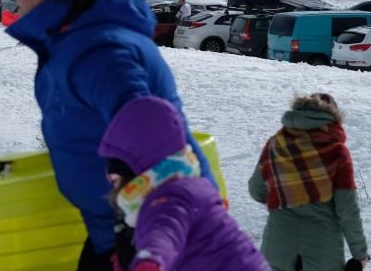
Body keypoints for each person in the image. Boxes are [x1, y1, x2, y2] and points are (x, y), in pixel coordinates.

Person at [3, 0, 212, 270]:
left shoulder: (99, 52)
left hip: (150, 237)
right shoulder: (76, 39)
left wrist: (154, 244)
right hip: (118, 228)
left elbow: (154, 138)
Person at [98, 96, 267, 271]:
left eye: (117, 180)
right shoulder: (187, 186)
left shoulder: (169, 199)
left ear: (137, 175)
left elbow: (164, 233)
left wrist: (149, 261)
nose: (114, 186)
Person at [249, 93, 369, 271]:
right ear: (333, 119)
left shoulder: (276, 144)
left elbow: (256, 189)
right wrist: (360, 255)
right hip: (322, 252)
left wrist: (284, 197)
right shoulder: (337, 152)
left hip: (278, 245)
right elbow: (347, 210)